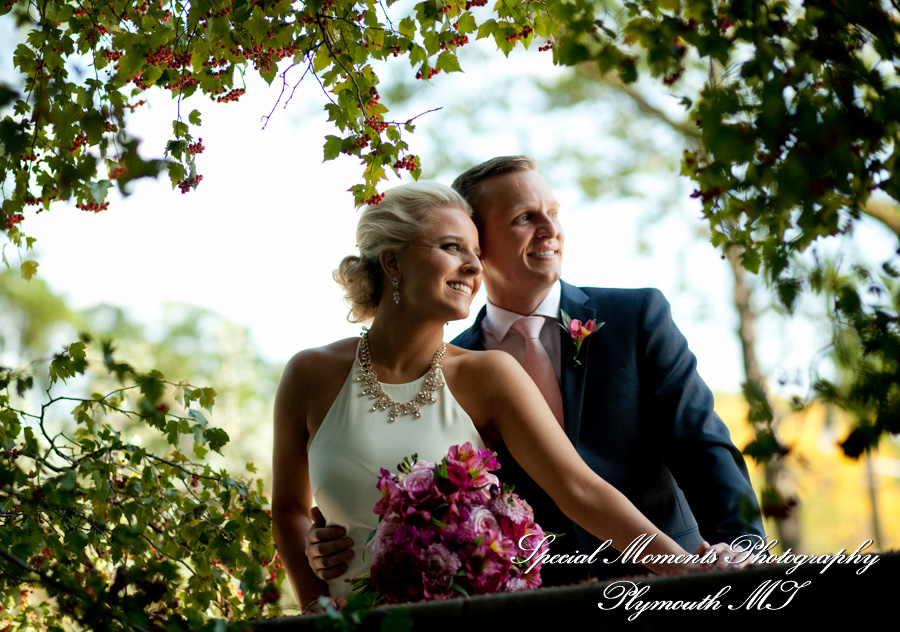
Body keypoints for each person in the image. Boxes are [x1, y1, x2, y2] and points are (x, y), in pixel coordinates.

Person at [304, 158, 765, 587]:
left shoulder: (636, 316)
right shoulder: (453, 368)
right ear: (477, 243)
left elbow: (702, 446)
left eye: (553, 212)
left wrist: (743, 559)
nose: (551, 230)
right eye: (525, 217)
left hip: (674, 580)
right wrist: (327, 534)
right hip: (537, 602)